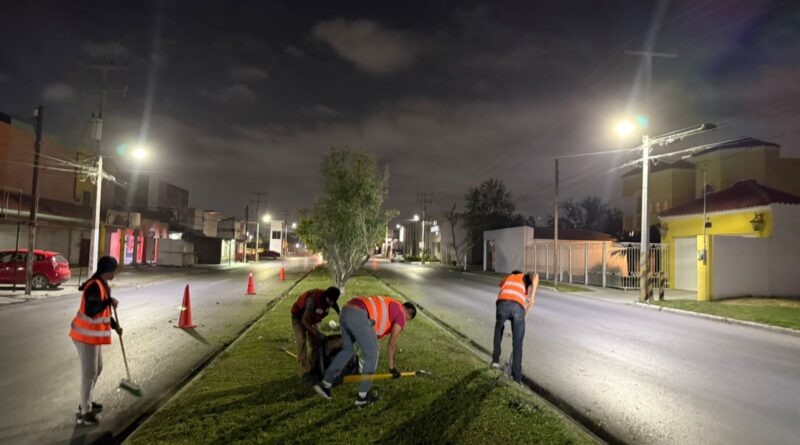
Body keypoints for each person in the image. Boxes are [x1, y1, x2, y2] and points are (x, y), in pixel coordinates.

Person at [314, 296, 417, 407]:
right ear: (408, 314)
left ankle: (325, 383)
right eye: (408, 319)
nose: (405, 321)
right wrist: (392, 367)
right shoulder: (401, 315)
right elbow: (392, 343)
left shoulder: (391, 302)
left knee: (348, 350)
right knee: (373, 355)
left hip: (346, 310)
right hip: (360, 315)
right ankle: (362, 397)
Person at [69, 256, 122, 426]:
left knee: (97, 369)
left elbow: (104, 312)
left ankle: (87, 402)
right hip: (84, 337)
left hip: (92, 336)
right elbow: (92, 311)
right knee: (89, 374)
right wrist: (109, 301)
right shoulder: (94, 286)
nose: (115, 273)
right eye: (114, 270)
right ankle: (85, 413)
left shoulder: (102, 284)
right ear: (108, 270)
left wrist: (115, 326)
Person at [490, 270, 538, 383]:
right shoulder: (523, 277)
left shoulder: (508, 278)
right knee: (517, 342)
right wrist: (532, 296)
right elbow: (535, 276)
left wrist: (523, 315)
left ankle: (495, 360)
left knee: (499, 328)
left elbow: (501, 292)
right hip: (517, 308)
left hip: (501, 304)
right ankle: (516, 377)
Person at [290, 286, 341, 373]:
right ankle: (304, 370)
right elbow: (304, 320)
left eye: (333, 301)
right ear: (326, 296)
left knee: (316, 342)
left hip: (312, 319)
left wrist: (342, 316)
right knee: (301, 340)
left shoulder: (331, 300)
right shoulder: (313, 300)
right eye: (330, 300)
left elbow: (337, 309)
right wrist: (316, 332)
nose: (331, 303)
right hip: (299, 317)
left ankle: (313, 365)